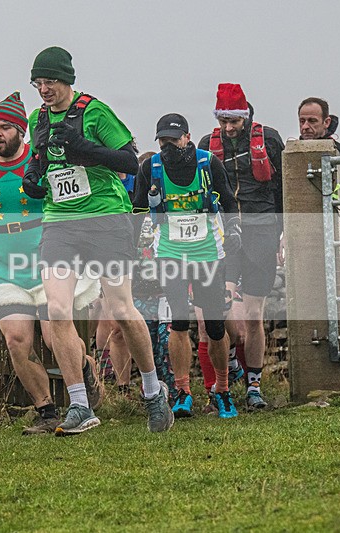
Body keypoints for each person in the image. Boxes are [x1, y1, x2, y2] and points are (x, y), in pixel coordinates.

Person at [22, 46, 173, 434]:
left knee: (121, 307)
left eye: (51, 81)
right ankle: (79, 405)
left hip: (106, 216)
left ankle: (154, 392)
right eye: (38, 83)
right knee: (57, 309)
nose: (44, 89)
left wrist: (84, 148)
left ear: (67, 80)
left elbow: (129, 161)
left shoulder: (95, 111)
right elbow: (43, 159)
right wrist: (33, 176)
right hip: (60, 220)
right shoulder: (38, 117)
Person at [0, 92, 100, 434]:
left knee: (54, 336)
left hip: (49, 260)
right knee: (16, 340)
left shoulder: (41, 162)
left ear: (21, 131)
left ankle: (86, 368)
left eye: (5, 127)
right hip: (7, 268)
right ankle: (47, 411)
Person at [134, 113, 241, 418]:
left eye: (174, 139)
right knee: (179, 322)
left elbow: (230, 202)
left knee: (215, 325)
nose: (169, 145)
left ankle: (221, 390)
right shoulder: (150, 167)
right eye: (163, 140)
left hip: (208, 252)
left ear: (187, 137)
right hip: (170, 252)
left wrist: (234, 230)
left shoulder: (208, 163)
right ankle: (183, 391)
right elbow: (138, 207)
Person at [198, 83, 285, 410]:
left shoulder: (270, 139)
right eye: (223, 121)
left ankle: (254, 387)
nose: (229, 128)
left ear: (246, 115)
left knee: (253, 315)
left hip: (262, 228)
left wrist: (283, 231)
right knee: (219, 313)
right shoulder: (208, 145)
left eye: (234, 121)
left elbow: (282, 188)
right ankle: (228, 371)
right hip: (225, 233)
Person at [297, 97, 340, 263]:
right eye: (302, 121)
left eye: (312, 121)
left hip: (337, 234)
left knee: (339, 285)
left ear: (326, 122)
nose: (306, 127)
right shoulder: (291, 155)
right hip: (301, 235)